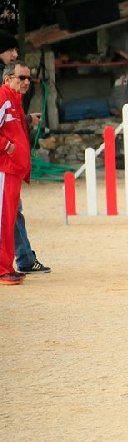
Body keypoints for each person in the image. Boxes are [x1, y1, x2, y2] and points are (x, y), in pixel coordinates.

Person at [0, 30, 50, 274]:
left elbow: (9, 114)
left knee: (12, 211)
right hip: (4, 164)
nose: (15, 53)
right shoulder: (3, 89)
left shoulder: (11, 92)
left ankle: (23, 258)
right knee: (7, 213)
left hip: (11, 165)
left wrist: (25, 118)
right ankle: (21, 260)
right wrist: (5, 145)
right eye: (11, 49)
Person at [0, 62, 32, 285]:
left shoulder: (14, 100)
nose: (26, 82)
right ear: (7, 79)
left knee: (9, 219)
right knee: (3, 219)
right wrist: (5, 145)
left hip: (12, 170)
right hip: (4, 167)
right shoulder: (3, 98)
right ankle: (2, 269)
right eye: (21, 77)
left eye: (29, 78)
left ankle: (6, 266)